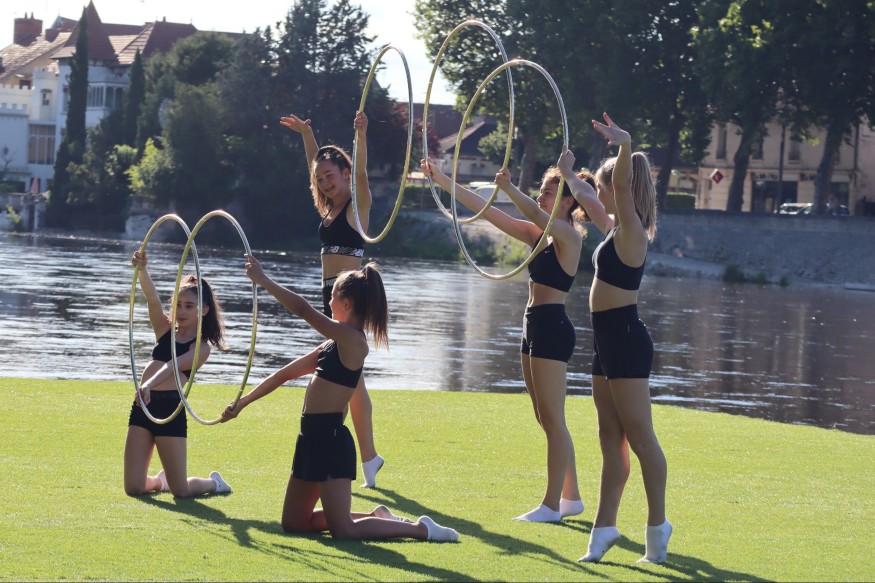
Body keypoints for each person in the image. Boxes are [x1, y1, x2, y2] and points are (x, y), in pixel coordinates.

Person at [221, 257, 459, 542]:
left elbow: (303, 309)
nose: (329, 302)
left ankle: (422, 529)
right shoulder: (331, 345)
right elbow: (283, 375)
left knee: (343, 531)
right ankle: (377, 515)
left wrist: (264, 280)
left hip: (331, 442)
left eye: (332, 297)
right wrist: (243, 403)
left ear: (346, 304)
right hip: (309, 439)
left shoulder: (354, 343)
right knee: (294, 523)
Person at [421, 156, 586, 523]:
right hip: (532, 325)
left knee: (554, 420)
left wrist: (510, 188)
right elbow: (487, 211)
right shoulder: (538, 235)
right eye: (540, 190)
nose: (540, 196)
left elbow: (536, 214)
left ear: (568, 201)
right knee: (544, 417)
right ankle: (572, 497)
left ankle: (551, 506)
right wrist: (443, 180)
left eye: (548, 192)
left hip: (552, 327)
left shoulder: (569, 237)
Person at [558, 113, 671, 564]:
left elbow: (619, 186)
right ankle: (604, 528)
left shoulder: (632, 233)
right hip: (605, 341)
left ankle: (658, 529)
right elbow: (589, 195)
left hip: (624, 338)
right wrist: (569, 174)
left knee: (641, 438)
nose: (600, 194)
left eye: (605, 187)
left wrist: (624, 146)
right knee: (610, 436)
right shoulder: (614, 230)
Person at [279, 112, 384, 488]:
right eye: (320, 179)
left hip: (351, 300)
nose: (324, 182)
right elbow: (315, 169)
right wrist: (308, 134)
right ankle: (368, 458)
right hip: (332, 298)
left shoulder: (357, 207)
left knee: (349, 379)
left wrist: (361, 136)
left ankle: (365, 456)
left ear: (345, 173)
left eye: (330, 176)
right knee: (350, 379)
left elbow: (361, 175)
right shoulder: (329, 209)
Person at [124, 250, 232, 497]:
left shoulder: (201, 348)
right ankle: (160, 481)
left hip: (169, 408)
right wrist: (142, 270)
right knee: (134, 488)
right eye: (178, 305)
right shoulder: (165, 330)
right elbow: (153, 300)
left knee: (181, 491)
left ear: (203, 310)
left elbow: (172, 365)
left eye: (189, 306)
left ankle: (214, 484)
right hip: (143, 406)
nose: (181, 311)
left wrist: (147, 386)